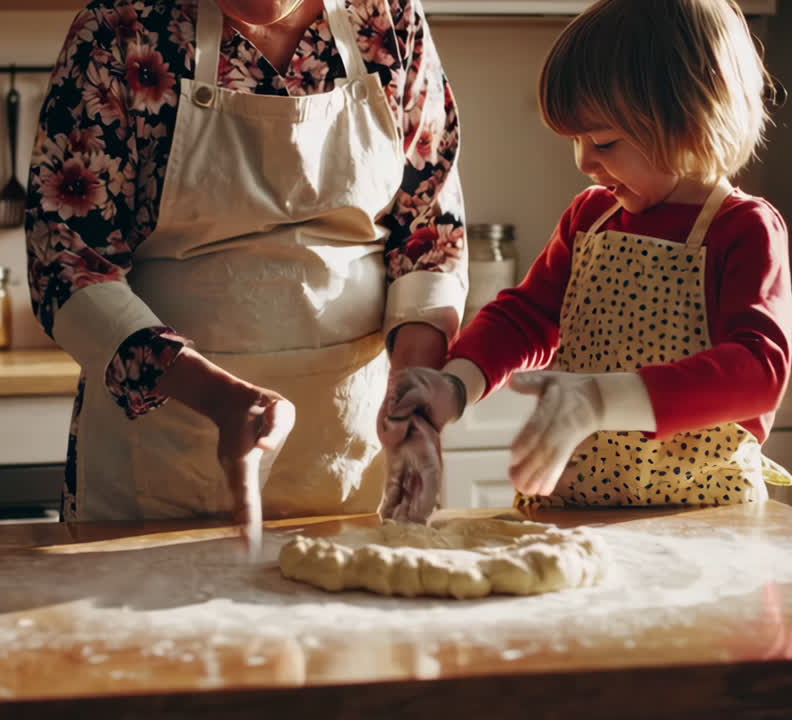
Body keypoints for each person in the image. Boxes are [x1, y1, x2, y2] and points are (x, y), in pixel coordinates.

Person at [25, 0, 467, 533]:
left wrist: (413, 399)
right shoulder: (123, 28)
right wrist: (219, 397)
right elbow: (67, 262)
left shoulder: (388, 17)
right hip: (165, 443)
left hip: (350, 448)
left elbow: (428, 232)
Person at [379, 0, 792, 520]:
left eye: (602, 140)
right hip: (573, 507)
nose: (584, 161)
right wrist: (456, 383)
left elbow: (759, 370)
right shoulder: (592, 217)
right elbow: (523, 319)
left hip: (700, 516)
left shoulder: (743, 229)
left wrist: (598, 400)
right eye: (576, 140)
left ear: (689, 119)